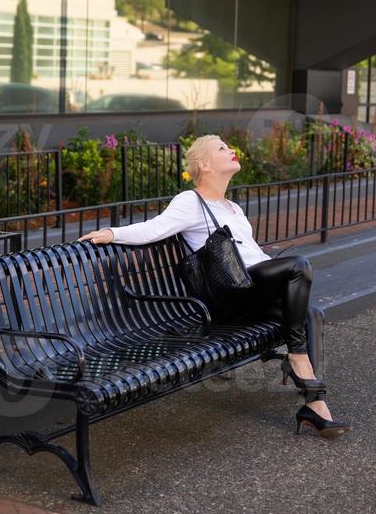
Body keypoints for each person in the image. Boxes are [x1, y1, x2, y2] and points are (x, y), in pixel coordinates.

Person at [78, 134, 352, 439]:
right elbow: (154, 228)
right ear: (204, 165)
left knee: (311, 313)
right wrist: (111, 233)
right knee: (298, 266)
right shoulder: (190, 201)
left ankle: (315, 406)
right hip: (229, 297)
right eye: (222, 148)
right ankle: (297, 359)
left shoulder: (233, 207)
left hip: (252, 289)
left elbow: (252, 253)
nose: (232, 150)